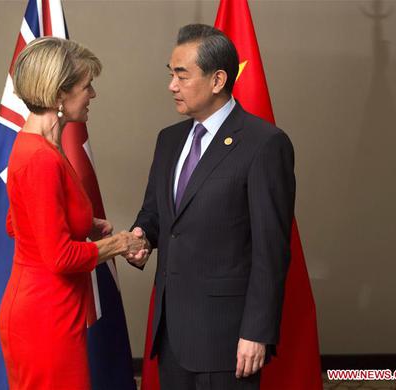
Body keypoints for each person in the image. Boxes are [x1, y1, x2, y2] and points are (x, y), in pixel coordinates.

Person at [127, 24, 296, 390]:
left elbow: (272, 250)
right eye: (170, 74)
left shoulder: (264, 144)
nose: (172, 85)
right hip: (171, 333)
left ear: (218, 79)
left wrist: (257, 332)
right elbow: (156, 213)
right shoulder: (169, 140)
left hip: (229, 339)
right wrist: (142, 235)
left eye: (182, 75)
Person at [0, 37, 147, 390]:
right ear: (60, 95)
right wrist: (120, 242)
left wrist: (83, 221)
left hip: (51, 310)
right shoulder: (41, 158)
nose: (92, 94)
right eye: (86, 86)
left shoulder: (38, 144)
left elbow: (14, 224)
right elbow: (61, 257)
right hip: (44, 319)